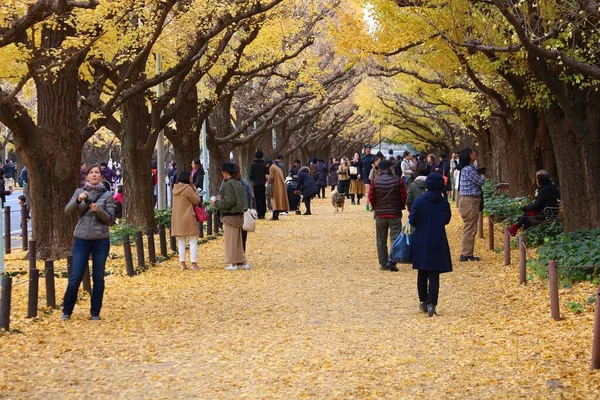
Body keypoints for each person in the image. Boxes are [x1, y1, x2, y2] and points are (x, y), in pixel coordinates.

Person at [62, 165, 115, 321]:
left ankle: (95, 312)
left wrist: (99, 211)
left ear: (101, 177)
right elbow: (67, 211)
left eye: (97, 173)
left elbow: (110, 220)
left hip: (100, 240)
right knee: (75, 276)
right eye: (91, 173)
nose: (94, 175)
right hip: (82, 239)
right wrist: (78, 201)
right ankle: (66, 310)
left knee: (98, 277)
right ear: (86, 177)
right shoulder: (79, 192)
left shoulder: (107, 195)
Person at [409, 173, 452, 317]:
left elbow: (413, 219)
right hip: (438, 239)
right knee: (434, 273)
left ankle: (423, 300)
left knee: (422, 271)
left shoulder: (420, 201)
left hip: (422, 239)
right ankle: (432, 302)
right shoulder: (443, 203)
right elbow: (447, 219)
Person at [368, 160, 407, 272]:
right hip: (394, 212)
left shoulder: (375, 182)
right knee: (395, 238)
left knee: (381, 239)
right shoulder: (398, 181)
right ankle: (392, 261)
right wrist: (400, 205)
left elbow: (371, 197)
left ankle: (383, 263)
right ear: (390, 168)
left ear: (379, 168)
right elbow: (403, 196)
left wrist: (376, 207)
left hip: (380, 214)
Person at [212, 163, 249, 271]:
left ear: (225, 172)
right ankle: (243, 262)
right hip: (239, 215)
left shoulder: (228, 184)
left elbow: (229, 202)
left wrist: (217, 203)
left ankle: (233, 263)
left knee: (231, 241)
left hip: (230, 216)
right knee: (238, 242)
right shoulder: (238, 183)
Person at [509, 171, 560, 236]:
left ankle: (524, 235)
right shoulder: (551, 187)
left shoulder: (544, 191)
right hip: (549, 211)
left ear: (540, 181)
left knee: (526, 217)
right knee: (526, 214)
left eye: (537, 179)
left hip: (545, 214)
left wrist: (525, 208)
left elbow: (536, 205)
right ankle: (518, 231)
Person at [457, 147, 486, 262]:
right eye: (472, 152)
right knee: (470, 228)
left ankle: (467, 253)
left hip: (467, 201)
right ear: (468, 156)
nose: (475, 153)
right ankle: (466, 254)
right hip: (470, 201)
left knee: (469, 227)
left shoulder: (467, 168)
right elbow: (480, 181)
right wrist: (483, 175)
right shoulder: (469, 169)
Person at [171, 171, 201, 270]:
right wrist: (196, 192)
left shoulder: (175, 189)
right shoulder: (188, 189)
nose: (192, 180)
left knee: (181, 241)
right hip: (188, 216)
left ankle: (182, 264)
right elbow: (196, 201)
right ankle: (193, 264)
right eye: (191, 178)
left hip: (178, 218)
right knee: (193, 240)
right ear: (186, 178)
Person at [267, 156, 289, 220]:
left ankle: (274, 216)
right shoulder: (277, 168)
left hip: (275, 186)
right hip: (280, 186)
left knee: (274, 201)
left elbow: (272, 177)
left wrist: (267, 176)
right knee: (278, 201)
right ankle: (276, 215)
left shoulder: (272, 167)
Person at [249, 151, 269, 219]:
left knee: (257, 199)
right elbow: (267, 174)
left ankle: (259, 213)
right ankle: (263, 213)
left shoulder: (253, 164)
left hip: (256, 184)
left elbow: (251, 175)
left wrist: (253, 179)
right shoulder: (264, 165)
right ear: (262, 156)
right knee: (263, 198)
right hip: (263, 183)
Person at [361, 145, 376, 211]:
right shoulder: (363, 158)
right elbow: (359, 167)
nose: (368, 150)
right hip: (366, 176)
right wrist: (359, 173)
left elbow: (377, 165)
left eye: (369, 149)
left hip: (373, 176)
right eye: (367, 149)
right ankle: (368, 205)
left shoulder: (374, 157)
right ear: (365, 150)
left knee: (373, 191)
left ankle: (371, 204)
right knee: (368, 191)